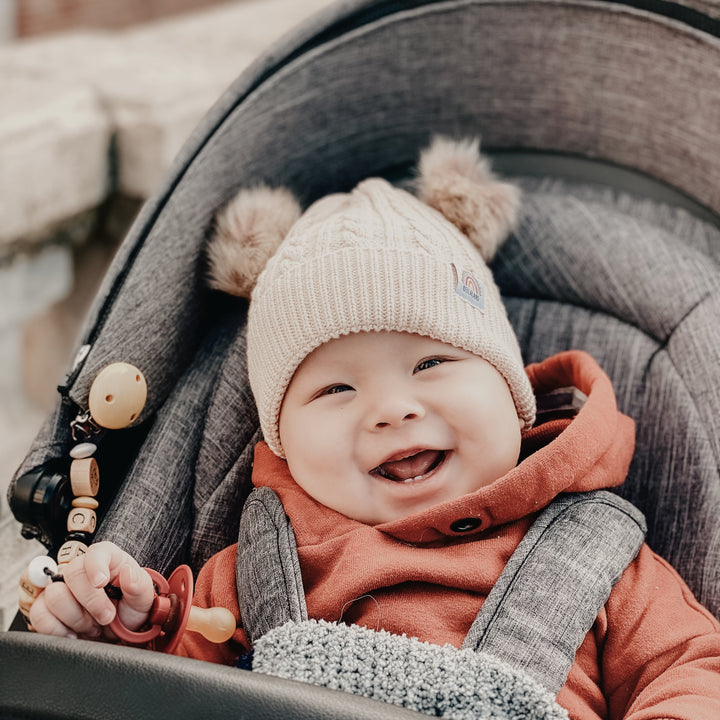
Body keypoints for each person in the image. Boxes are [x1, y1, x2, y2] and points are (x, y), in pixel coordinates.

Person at [28, 138, 720, 719]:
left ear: (514, 395)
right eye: (335, 389)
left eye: (431, 362)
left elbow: (693, 668)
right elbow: (178, 693)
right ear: (282, 444)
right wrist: (135, 621)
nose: (390, 410)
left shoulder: (602, 555)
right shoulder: (254, 566)